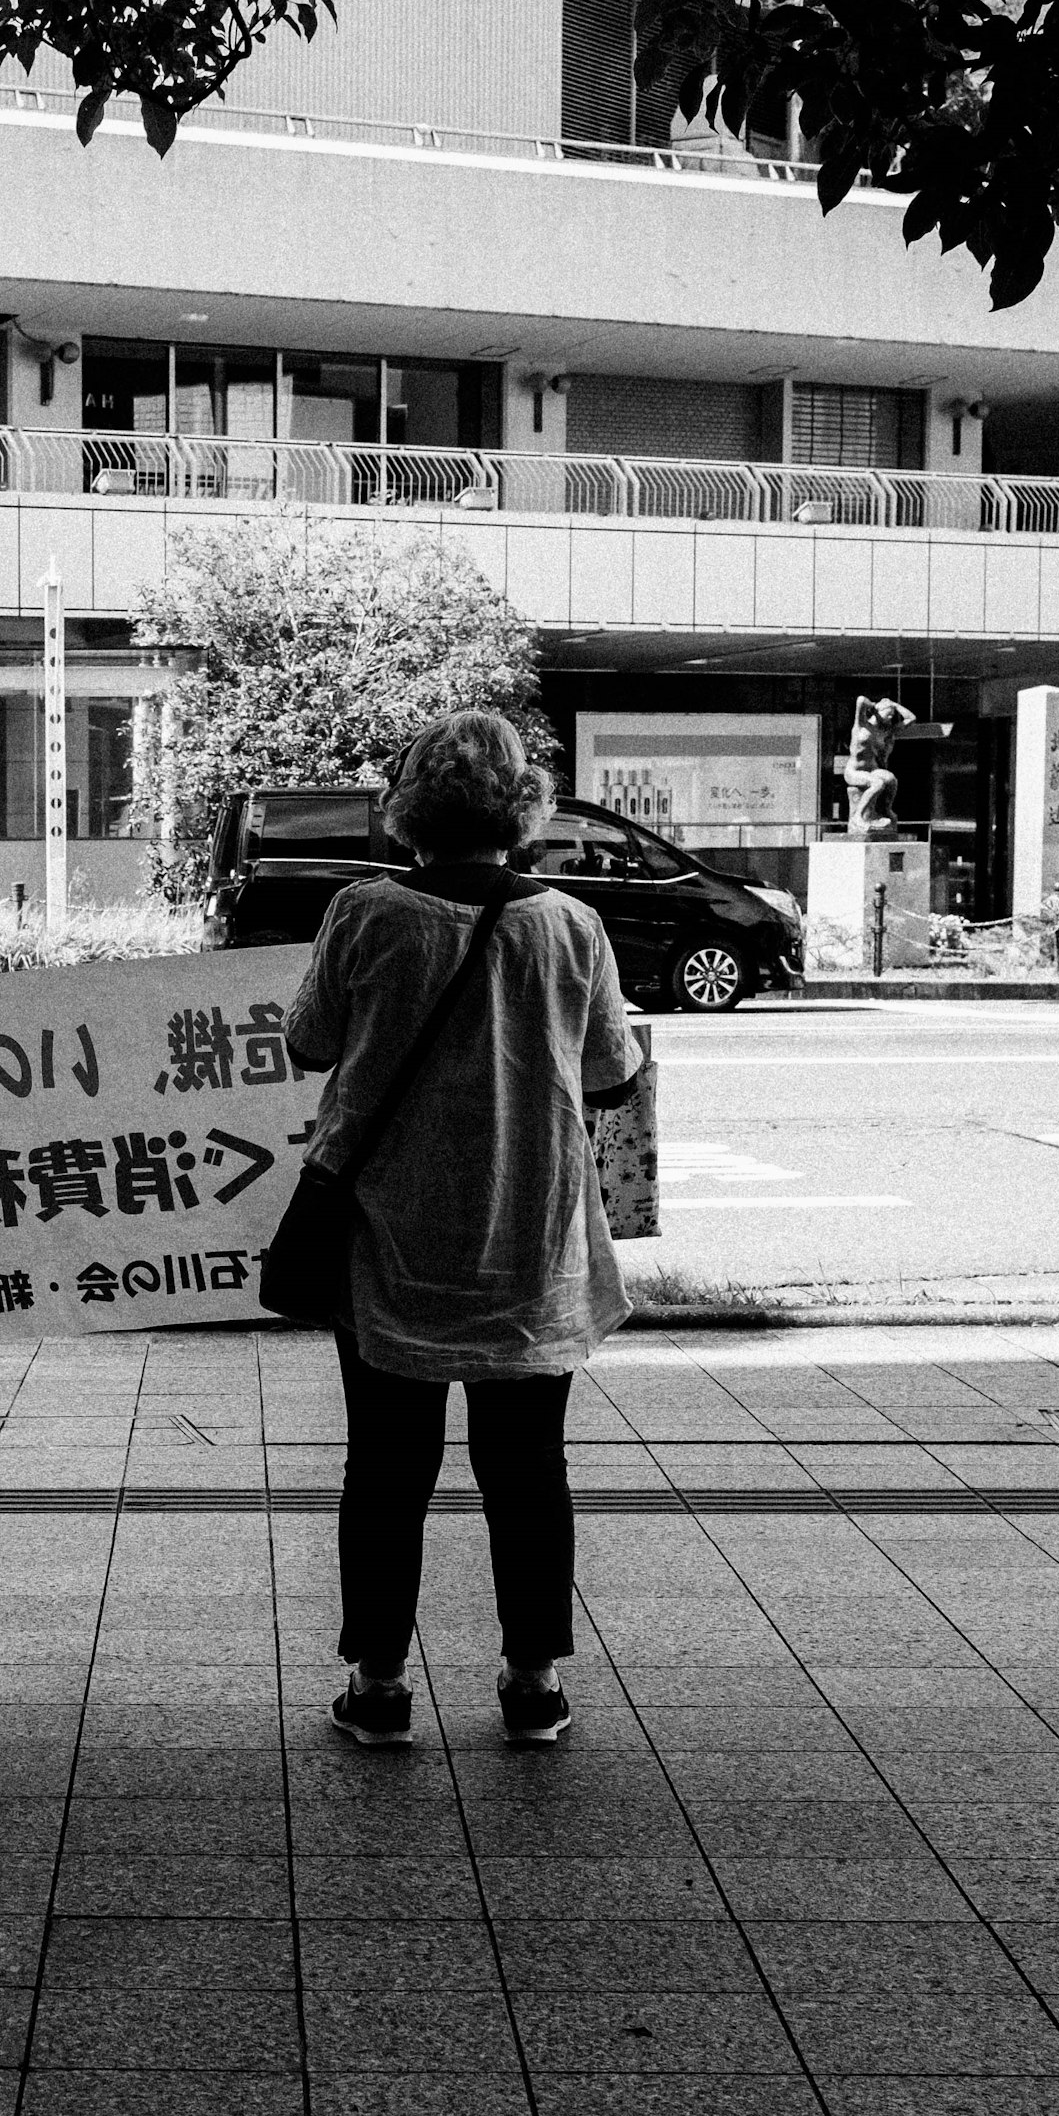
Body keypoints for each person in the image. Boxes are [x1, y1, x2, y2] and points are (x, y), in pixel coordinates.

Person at [288, 711, 643, 1747]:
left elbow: (312, 1041)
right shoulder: (569, 924)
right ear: (519, 810)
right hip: (528, 1234)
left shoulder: (366, 910)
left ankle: (381, 1684)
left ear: (410, 809)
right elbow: (614, 1073)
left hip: (388, 1234)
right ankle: (533, 1681)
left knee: (386, 1464)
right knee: (527, 1466)